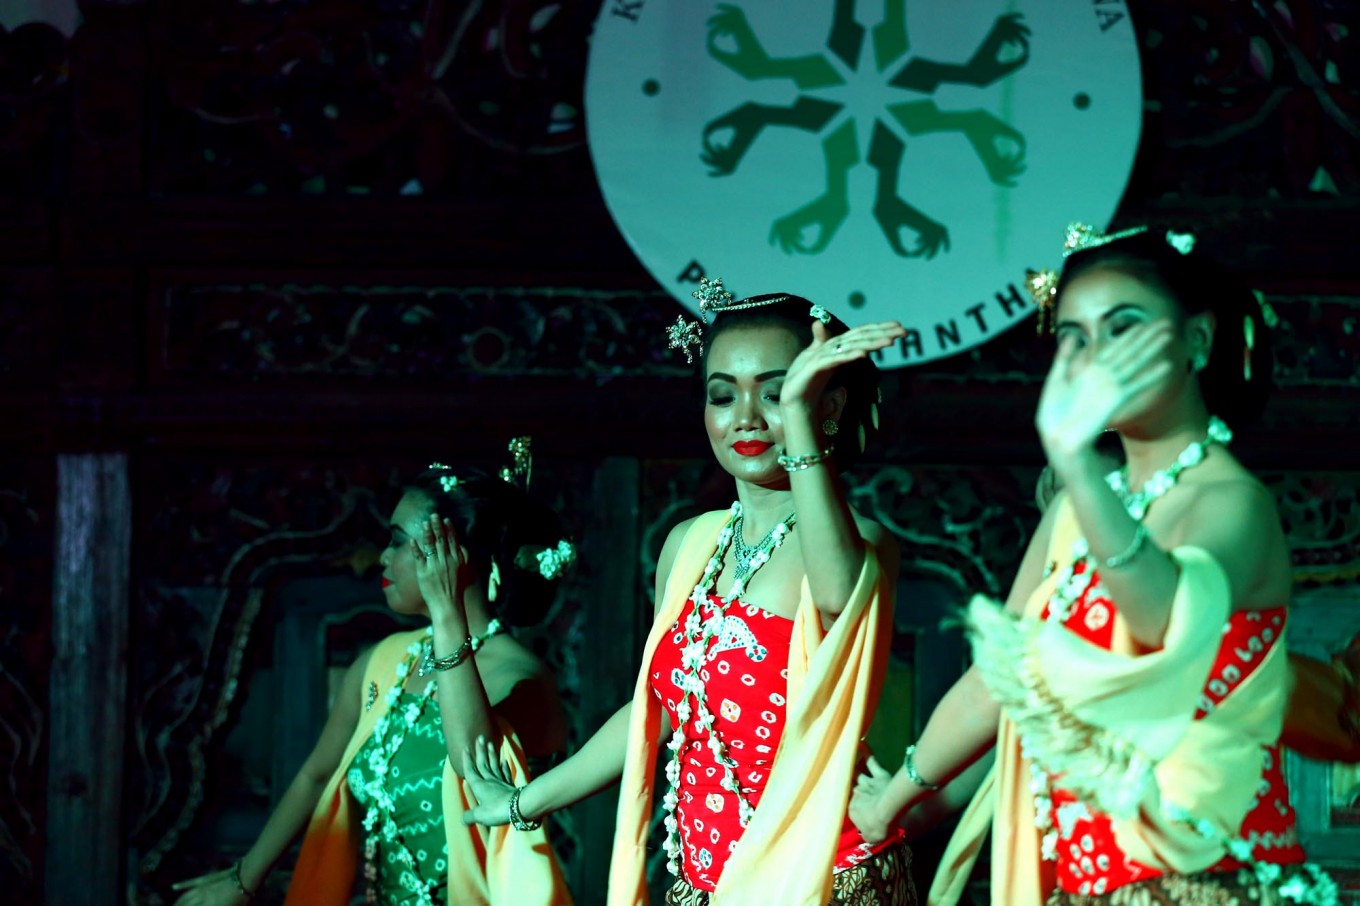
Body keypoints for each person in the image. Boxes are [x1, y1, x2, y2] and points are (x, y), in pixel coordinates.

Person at [849, 224, 1338, 905]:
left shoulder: (1233, 503)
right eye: (1074, 337)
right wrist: (890, 801)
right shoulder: (1078, 511)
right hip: (1084, 884)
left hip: (1210, 882)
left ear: (1197, 341)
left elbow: (1160, 619)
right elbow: (998, 678)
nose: (1093, 356)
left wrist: (1075, 459)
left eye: (1122, 326)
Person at [462, 281, 916, 904]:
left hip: (822, 878)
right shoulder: (689, 545)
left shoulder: (860, 543)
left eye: (779, 393)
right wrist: (523, 801)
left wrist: (804, 431)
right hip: (702, 883)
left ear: (826, 405)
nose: (747, 418)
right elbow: (657, 709)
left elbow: (839, 597)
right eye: (723, 395)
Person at [172, 443, 574, 906]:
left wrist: (446, 613)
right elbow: (318, 776)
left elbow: (471, 765)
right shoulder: (387, 660)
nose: (383, 557)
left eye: (399, 540)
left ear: (454, 555)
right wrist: (242, 881)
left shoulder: (522, 679)